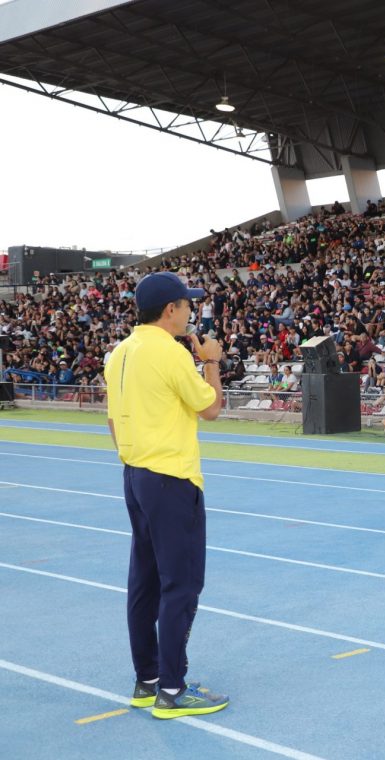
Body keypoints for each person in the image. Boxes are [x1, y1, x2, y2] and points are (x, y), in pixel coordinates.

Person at [103, 271, 230, 720]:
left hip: (135, 473)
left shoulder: (120, 352)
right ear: (170, 309)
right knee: (182, 584)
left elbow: (112, 419)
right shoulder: (170, 352)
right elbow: (211, 408)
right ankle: (173, 690)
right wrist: (211, 361)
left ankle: (148, 679)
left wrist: (135, 456)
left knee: (145, 581)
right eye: (187, 304)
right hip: (171, 478)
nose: (191, 311)